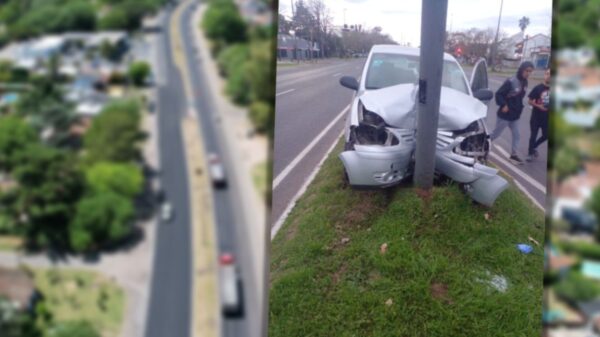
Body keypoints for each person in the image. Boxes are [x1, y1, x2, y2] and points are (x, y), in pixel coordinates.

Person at [490, 61, 535, 165]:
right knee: (495, 134)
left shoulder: (525, 82)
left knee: (517, 135)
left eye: (530, 72)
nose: (528, 73)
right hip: (505, 115)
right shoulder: (511, 81)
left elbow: (519, 98)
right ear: (522, 69)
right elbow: (499, 94)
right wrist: (504, 105)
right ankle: (481, 143)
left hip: (515, 115)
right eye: (527, 71)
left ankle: (513, 155)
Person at [526, 68, 550, 161]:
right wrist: (538, 106)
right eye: (547, 74)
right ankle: (530, 153)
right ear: (544, 75)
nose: (549, 76)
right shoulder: (538, 88)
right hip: (536, 117)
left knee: (546, 135)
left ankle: (534, 146)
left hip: (547, 118)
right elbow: (529, 101)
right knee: (533, 135)